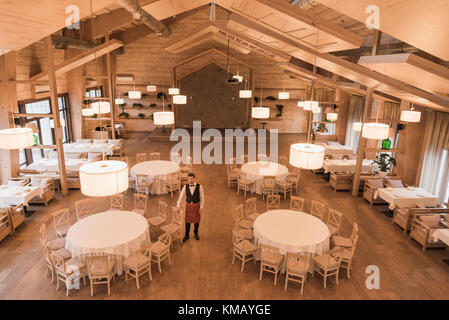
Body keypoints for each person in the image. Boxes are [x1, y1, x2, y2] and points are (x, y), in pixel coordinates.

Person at [176, 172, 204, 241]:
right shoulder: (185, 187)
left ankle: (196, 233)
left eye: (191, 179)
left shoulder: (199, 186)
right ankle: (186, 235)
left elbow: (202, 197)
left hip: (196, 205)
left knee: (196, 221)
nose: (190, 180)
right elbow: (181, 196)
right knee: (187, 221)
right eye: (189, 179)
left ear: (194, 178)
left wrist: (201, 207)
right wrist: (178, 205)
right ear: (188, 179)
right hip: (188, 206)